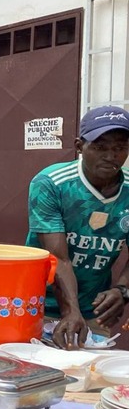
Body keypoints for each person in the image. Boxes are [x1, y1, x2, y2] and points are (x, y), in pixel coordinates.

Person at [26, 105, 129, 349]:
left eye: (120, 148)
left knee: (90, 381)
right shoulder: (52, 184)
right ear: (79, 146)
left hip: (92, 309)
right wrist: (70, 311)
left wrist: (122, 291)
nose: (111, 156)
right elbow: (58, 258)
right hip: (35, 306)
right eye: (100, 147)